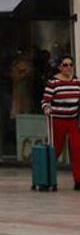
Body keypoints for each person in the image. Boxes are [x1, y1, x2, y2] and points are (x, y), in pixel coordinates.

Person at [42, 55, 80, 190]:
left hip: (73, 120)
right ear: (59, 67)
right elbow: (45, 100)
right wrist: (46, 108)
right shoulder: (53, 82)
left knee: (77, 150)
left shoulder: (76, 81)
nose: (69, 67)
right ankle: (47, 178)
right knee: (56, 150)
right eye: (65, 65)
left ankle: (78, 180)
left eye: (71, 65)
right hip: (58, 120)